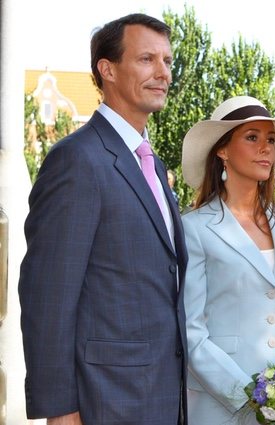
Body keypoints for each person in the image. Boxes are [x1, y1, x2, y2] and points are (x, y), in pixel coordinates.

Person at [18, 14, 187, 425]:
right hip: (106, 401)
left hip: (163, 397)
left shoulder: (150, 162)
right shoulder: (76, 159)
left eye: (167, 61)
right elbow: (48, 297)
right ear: (106, 69)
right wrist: (59, 410)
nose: (162, 72)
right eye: (147, 59)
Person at [180, 95, 275, 424]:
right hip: (220, 405)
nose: (266, 148)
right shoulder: (194, 228)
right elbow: (191, 332)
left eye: (270, 139)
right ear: (222, 150)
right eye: (252, 137)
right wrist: (248, 396)